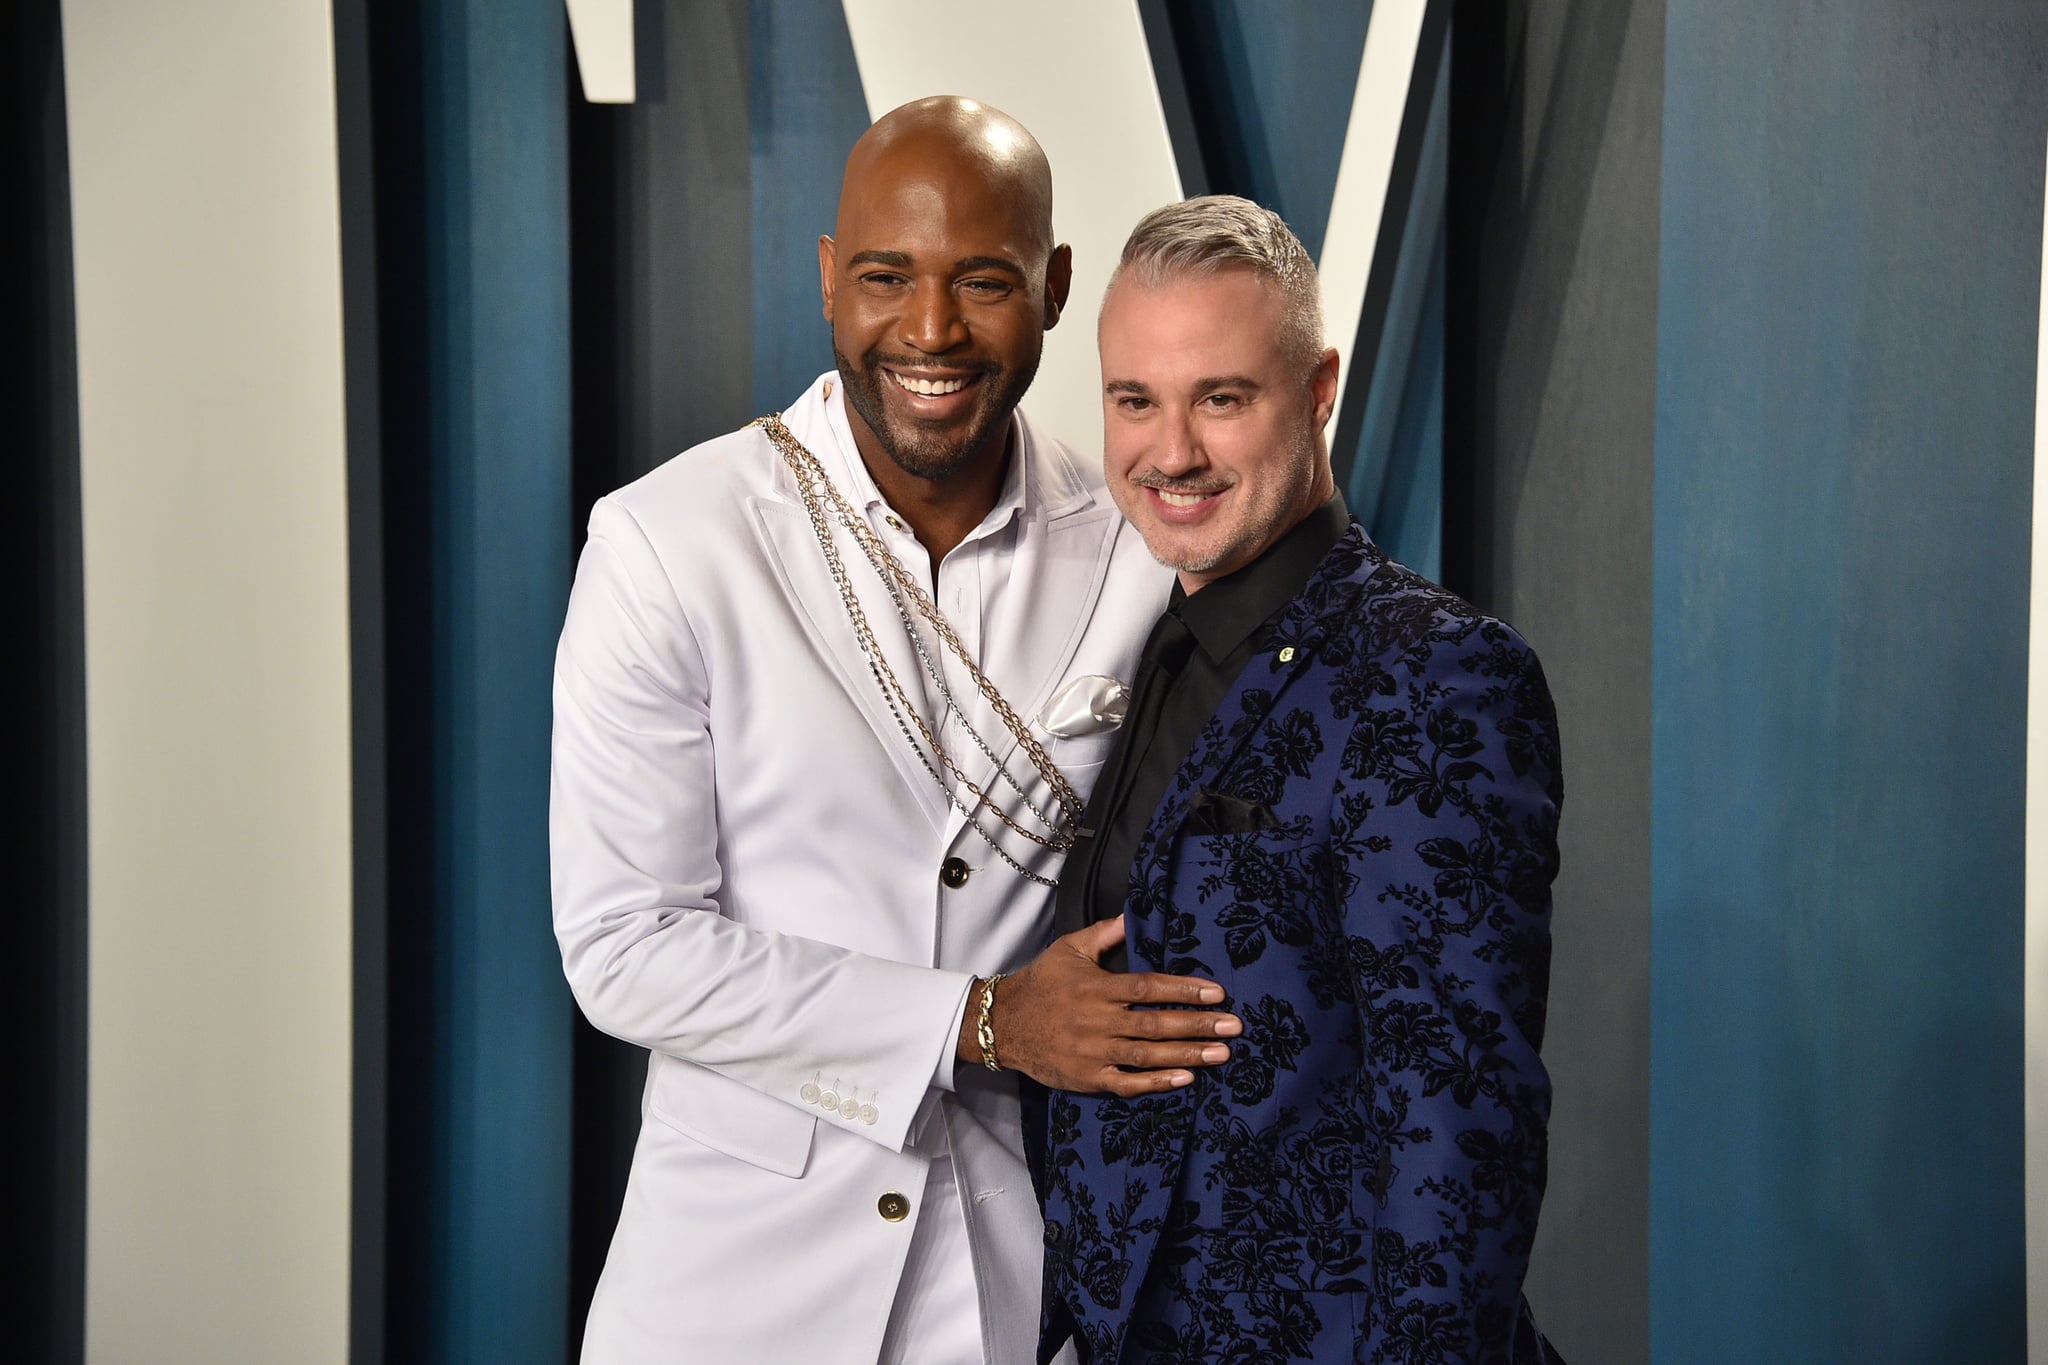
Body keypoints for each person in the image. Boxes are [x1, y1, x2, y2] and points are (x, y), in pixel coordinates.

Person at [550, 99, 1242, 1365]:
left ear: (1053, 289)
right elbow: (624, 950)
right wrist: (980, 1021)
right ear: (827, 280)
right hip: (726, 1294)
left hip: (1009, 1288)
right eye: (886, 277)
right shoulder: (667, 542)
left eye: (982, 281)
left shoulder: (1138, 549)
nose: (929, 330)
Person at [1036, 196, 1565, 1364]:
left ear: (1318, 388)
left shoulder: (1433, 671)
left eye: (1220, 398)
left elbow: (1459, 1122)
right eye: (1135, 400)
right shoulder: (1134, 643)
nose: (1169, 452)